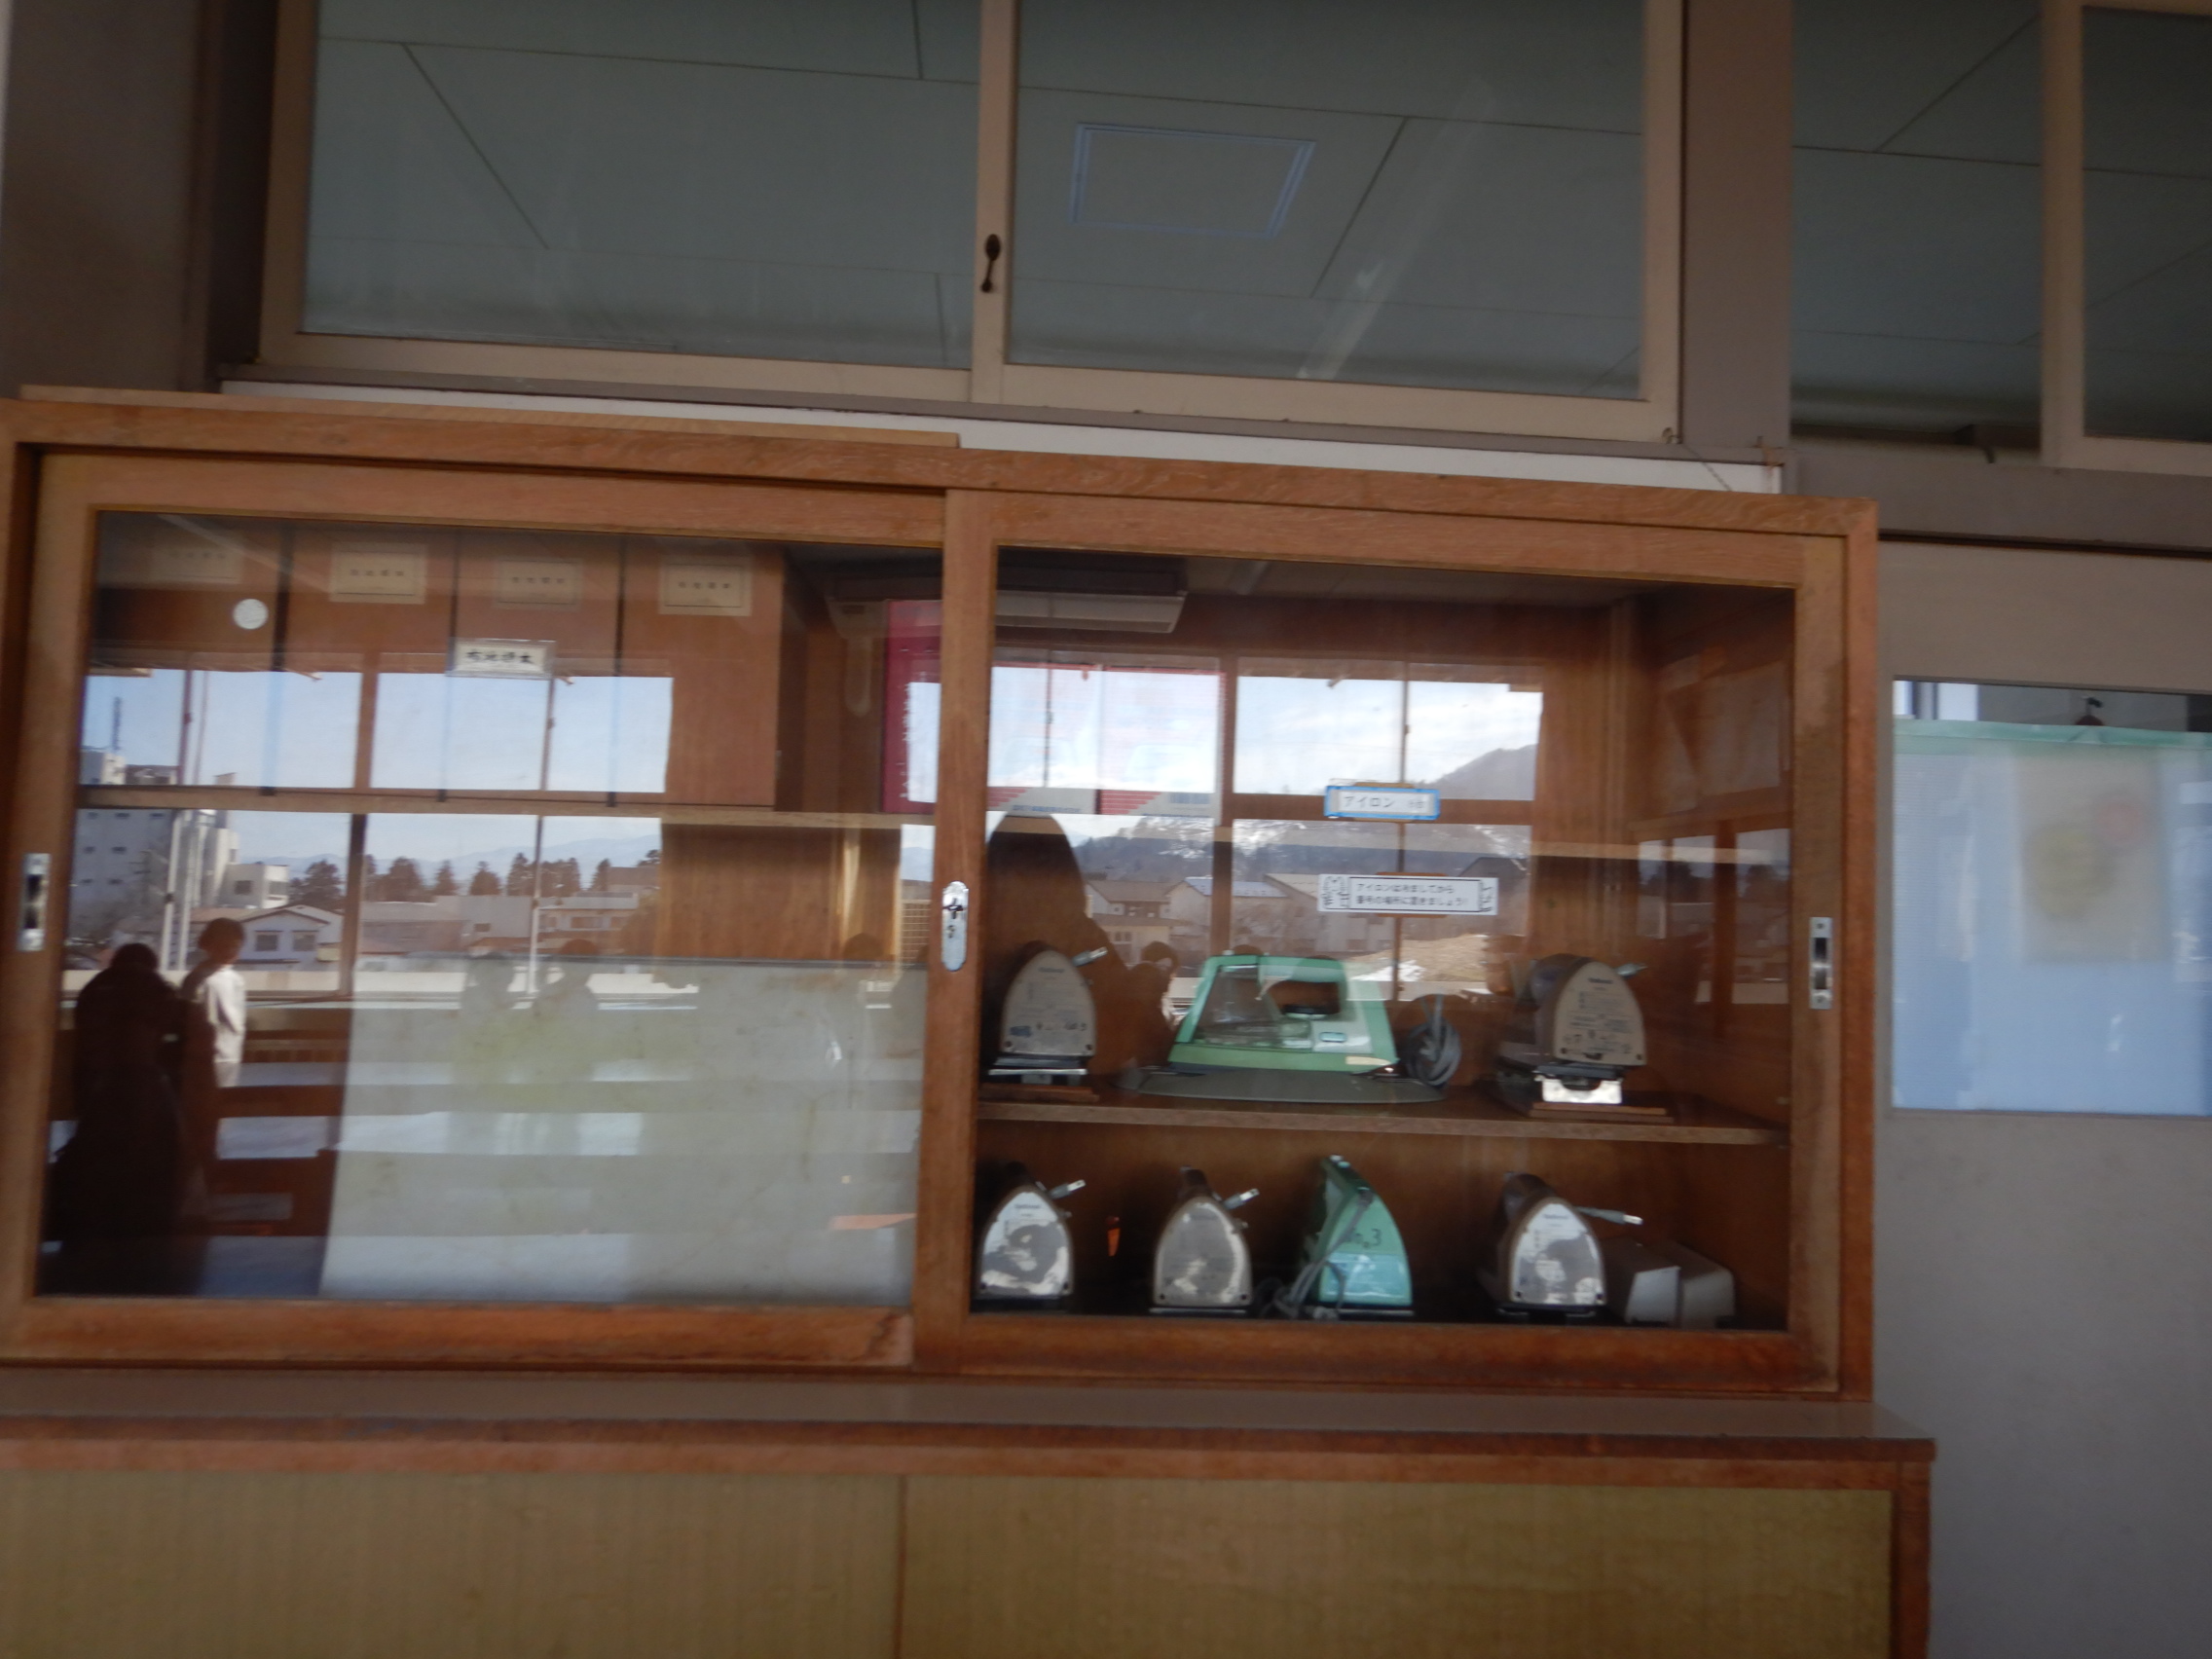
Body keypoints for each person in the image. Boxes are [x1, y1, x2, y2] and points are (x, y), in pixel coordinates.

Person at [45, 942, 189, 1290]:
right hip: (148, 1089)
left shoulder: (95, 990)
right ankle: (145, 1263)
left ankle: (90, 1258)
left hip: (100, 1092)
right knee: (148, 1179)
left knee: (97, 1177)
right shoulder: (157, 989)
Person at [180, 917, 247, 1089]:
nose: (231, 950)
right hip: (226, 1054)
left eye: (235, 946)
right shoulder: (233, 980)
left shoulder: (196, 978)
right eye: (226, 945)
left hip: (206, 1056)